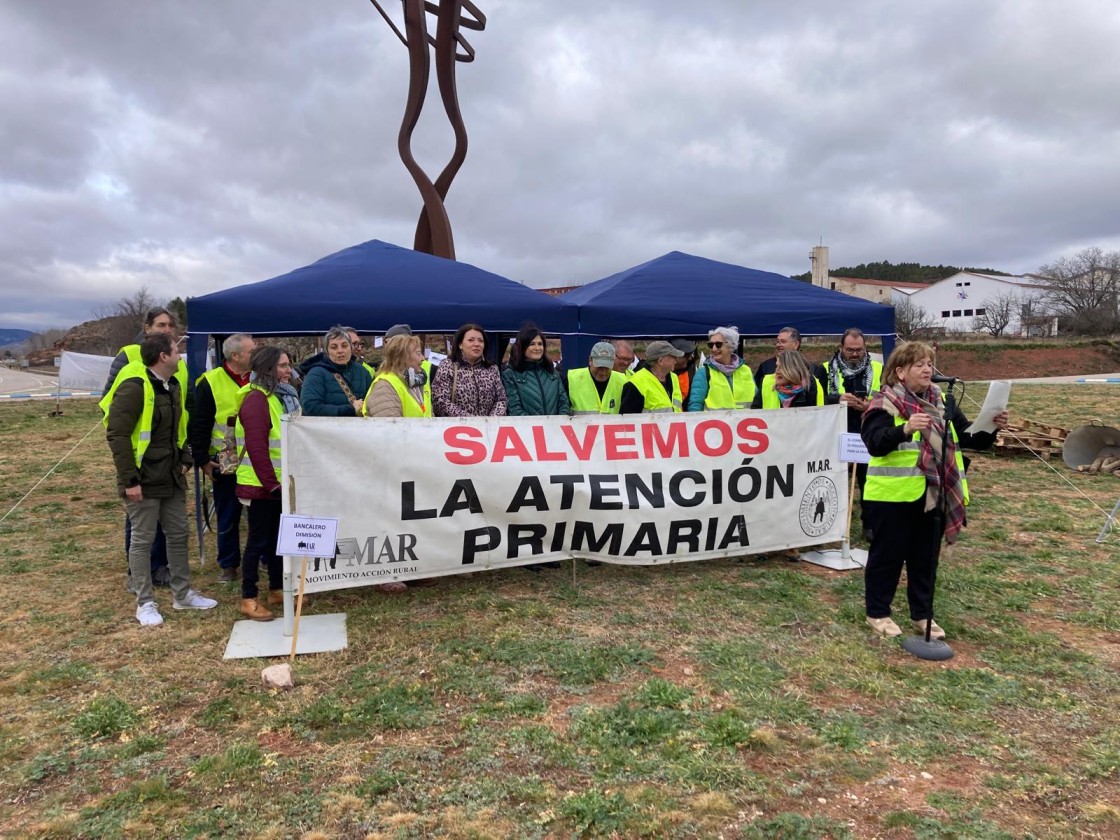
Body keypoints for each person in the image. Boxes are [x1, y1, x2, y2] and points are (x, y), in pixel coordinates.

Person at [860, 341, 1009, 639]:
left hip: (934, 493)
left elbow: (968, 438)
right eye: (919, 364)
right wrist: (903, 429)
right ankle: (877, 613)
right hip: (892, 496)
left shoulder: (943, 401)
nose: (928, 369)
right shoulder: (884, 402)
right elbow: (874, 443)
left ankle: (922, 614)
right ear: (900, 372)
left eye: (930, 363)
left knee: (925, 558)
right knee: (887, 557)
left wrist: (991, 425)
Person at [105, 333, 217, 626]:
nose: (181, 355)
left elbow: (184, 429)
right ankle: (144, 602)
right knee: (142, 540)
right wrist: (130, 480)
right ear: (163, 357)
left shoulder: (175, 386)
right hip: (142, 479)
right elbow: (117, 435)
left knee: (178, 535)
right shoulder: (134, 388)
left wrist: (186, 459)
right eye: (176, 351)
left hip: (171, 477)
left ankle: (183, 595)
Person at [100, 306, 186, 588]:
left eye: (170, 325)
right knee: (141, 527)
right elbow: (113, 412)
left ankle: (162, 569)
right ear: (147, 328)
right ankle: (139, 576)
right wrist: (128, 473)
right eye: (161, 325)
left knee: (172, 527)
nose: (167, 329)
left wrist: (184, 455)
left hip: (170, 459)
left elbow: (185, 409)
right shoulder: (129, 359)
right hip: (141, 462)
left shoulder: (177, 368)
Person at [363, 334, 442, 590]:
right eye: (417, 353)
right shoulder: (386, 384)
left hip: (416, 460)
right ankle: (384, 573)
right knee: (389, 518)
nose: (422, 357)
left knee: (411, 516)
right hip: (392, 464)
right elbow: (388, 430)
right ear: (402, 357)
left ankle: (412, 568)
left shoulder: (416, 382)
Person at [235, 346, 302, 621]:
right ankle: (248, 597)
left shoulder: (277, 398)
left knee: (278, 539)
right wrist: (271, 485)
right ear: (268, 369)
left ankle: (277, 588)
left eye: (288, 365)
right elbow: (257, 448)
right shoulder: (256, 400)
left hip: (276, 485)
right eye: (283, 366)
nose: (289, 371)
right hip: (261, 486)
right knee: (257, 541)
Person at [190, 333, 255, 582]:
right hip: (225, 461)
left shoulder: (260, 377)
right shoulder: (209, 382)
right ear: (236, 356)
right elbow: (200, 424)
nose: (255, 354)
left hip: (258, 458)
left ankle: (261, 558)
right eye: (251, 351)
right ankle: (229, 564)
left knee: (260, 513)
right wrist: (203, 459)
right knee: (228, 512)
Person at [822, 328, 882, 516]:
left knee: (868, 476)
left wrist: (869, 406)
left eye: (859, 350)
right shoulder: (824, 369)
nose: (855, 354)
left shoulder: (879, 368)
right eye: (850, 350)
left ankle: (869, 520)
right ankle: (835, 515)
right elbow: (818, 398)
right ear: (841, 348)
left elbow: (888, 398)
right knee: (834, 476)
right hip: (836, 430)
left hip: (867, 428)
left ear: (865, 348)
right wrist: (837, 399)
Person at [431, 323, 507, 417]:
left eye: (480, 341)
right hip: (457, 428)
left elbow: (501, 400)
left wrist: (490, 421)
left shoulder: (491, 369)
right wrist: (470, 420)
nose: (477, 344)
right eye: (471, 340)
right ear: (460, 344)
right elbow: (439, 401)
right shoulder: (447, 366)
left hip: (488, 428)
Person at [299, 325, 373, 417]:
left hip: (360, 429)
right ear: (327, 351)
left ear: (351, 348)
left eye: (344, 346)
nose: (340, 350)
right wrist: (350, 409)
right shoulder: (316, 373)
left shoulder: (363, 372)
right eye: (334, 347)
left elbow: (374, 402)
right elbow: (310, 407)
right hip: (327, 430)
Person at [502, 324, 570, 416]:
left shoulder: (552, 372)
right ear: (523, 347)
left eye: (540, 344)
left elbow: (564, 403)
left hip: (554, 428)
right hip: (526, 429)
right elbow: (514, 409)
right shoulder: (510, 375)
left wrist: (557, 424)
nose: (537, 348)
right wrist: (536, 426)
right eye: (532, 344)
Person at [686, 326, 755, 411]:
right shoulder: (703, 373)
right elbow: (695, 406)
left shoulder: (746, 370)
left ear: (730, 346)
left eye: (718, 344)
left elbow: (757, 402)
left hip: (745, 423)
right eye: (710, 345)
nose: (714, 348)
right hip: (713, 424)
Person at [619, 340, 684, 414]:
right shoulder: (636, 383)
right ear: (661, 361)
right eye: (673, 357)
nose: (675, 361)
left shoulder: (673, 378)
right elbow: (628, 420)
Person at [751, 349, 824, 409]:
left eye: (781, 367)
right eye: (777, 366)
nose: (777, 371)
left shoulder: (812, 386)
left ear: (794, 370)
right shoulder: (767, 382)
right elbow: (755, 414)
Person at [384, 323, 433, 410]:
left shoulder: (427, 370)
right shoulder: (385, 380)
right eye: (386, 342)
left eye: (393, 342)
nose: (388, 347)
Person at [567, 342, 626, 414]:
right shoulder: (571, 379)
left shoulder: (623, 381)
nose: (602, 372)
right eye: (599, 367)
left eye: (606, 367)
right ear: (590, 360)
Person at [753, 327, 802, 392]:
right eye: (778, 341)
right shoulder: (765, 366)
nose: (778, 345)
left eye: (783, 342)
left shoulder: (809, 367)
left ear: (795, 344)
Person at [669, 339, 699, 404]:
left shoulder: (691, 372)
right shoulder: (660, 374)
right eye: (686, 355)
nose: (690, 358)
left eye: (690, 354)